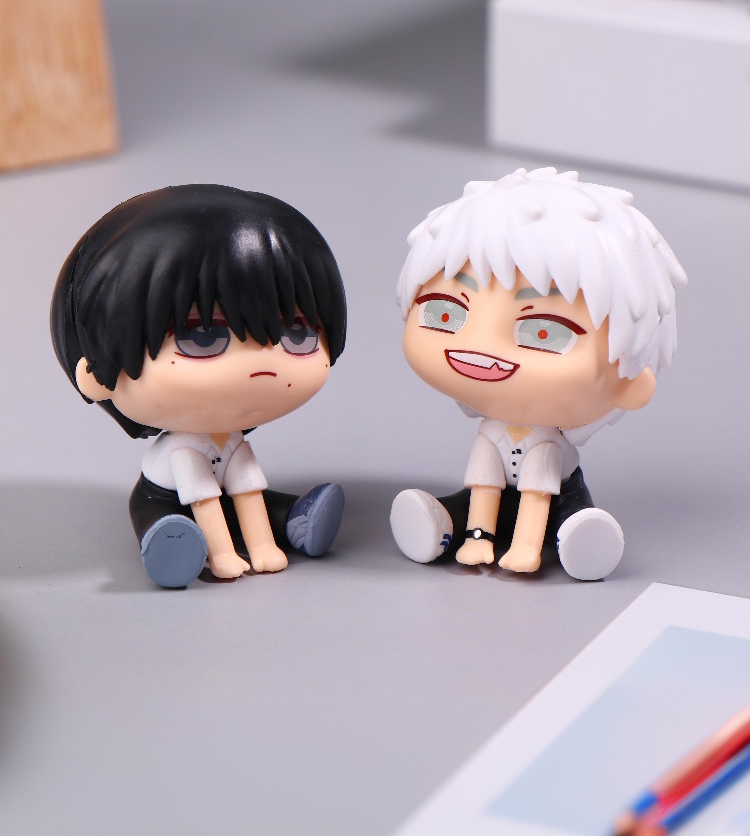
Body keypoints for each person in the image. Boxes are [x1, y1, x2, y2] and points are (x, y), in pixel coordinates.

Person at [389, 168, 686, 580]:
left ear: (629, 378)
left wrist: (527, 547)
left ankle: (575, 538)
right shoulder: (490, 428)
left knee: (563, 509)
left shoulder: (551, 441)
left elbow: (538, 488)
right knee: (476, 494)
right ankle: (448, 525)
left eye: (543, 331)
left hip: (557, 492)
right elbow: (485, 480)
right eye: (445, 312)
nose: (479, 348)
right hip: (496, 479)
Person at [51, 183, 347, 588]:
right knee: (176, 517)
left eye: (298, 333)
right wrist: (223, 557)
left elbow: (245, 488)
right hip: (162, 498)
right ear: (95, 373)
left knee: (251, 495)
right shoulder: (182, 449)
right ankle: (175, 545)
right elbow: (203, 498)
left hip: (220, 486)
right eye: (203, 337)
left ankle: (294, 518)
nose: (263, 364)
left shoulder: (232, 439)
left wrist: (264, 549)